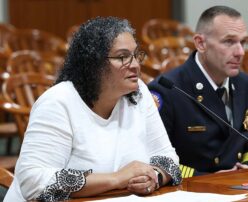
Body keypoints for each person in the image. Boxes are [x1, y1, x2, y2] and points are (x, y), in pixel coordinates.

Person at [4, 17, 181, 201]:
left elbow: (169, 158)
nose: (135, 65)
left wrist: (155, 177)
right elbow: (33, 182)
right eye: (122, 57)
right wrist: (117, 179)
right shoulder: (58, 102)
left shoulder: (139, 93)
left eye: (136, 55)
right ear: (93, 64)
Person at [148, 6, 248, 178]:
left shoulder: (247, 85)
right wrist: (208, 179)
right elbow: (156, 160)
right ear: (201, 43)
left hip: (241, 185)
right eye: (229, 41)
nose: (240, 52)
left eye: (242, 42)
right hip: (190, 188)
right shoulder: (168, 90)